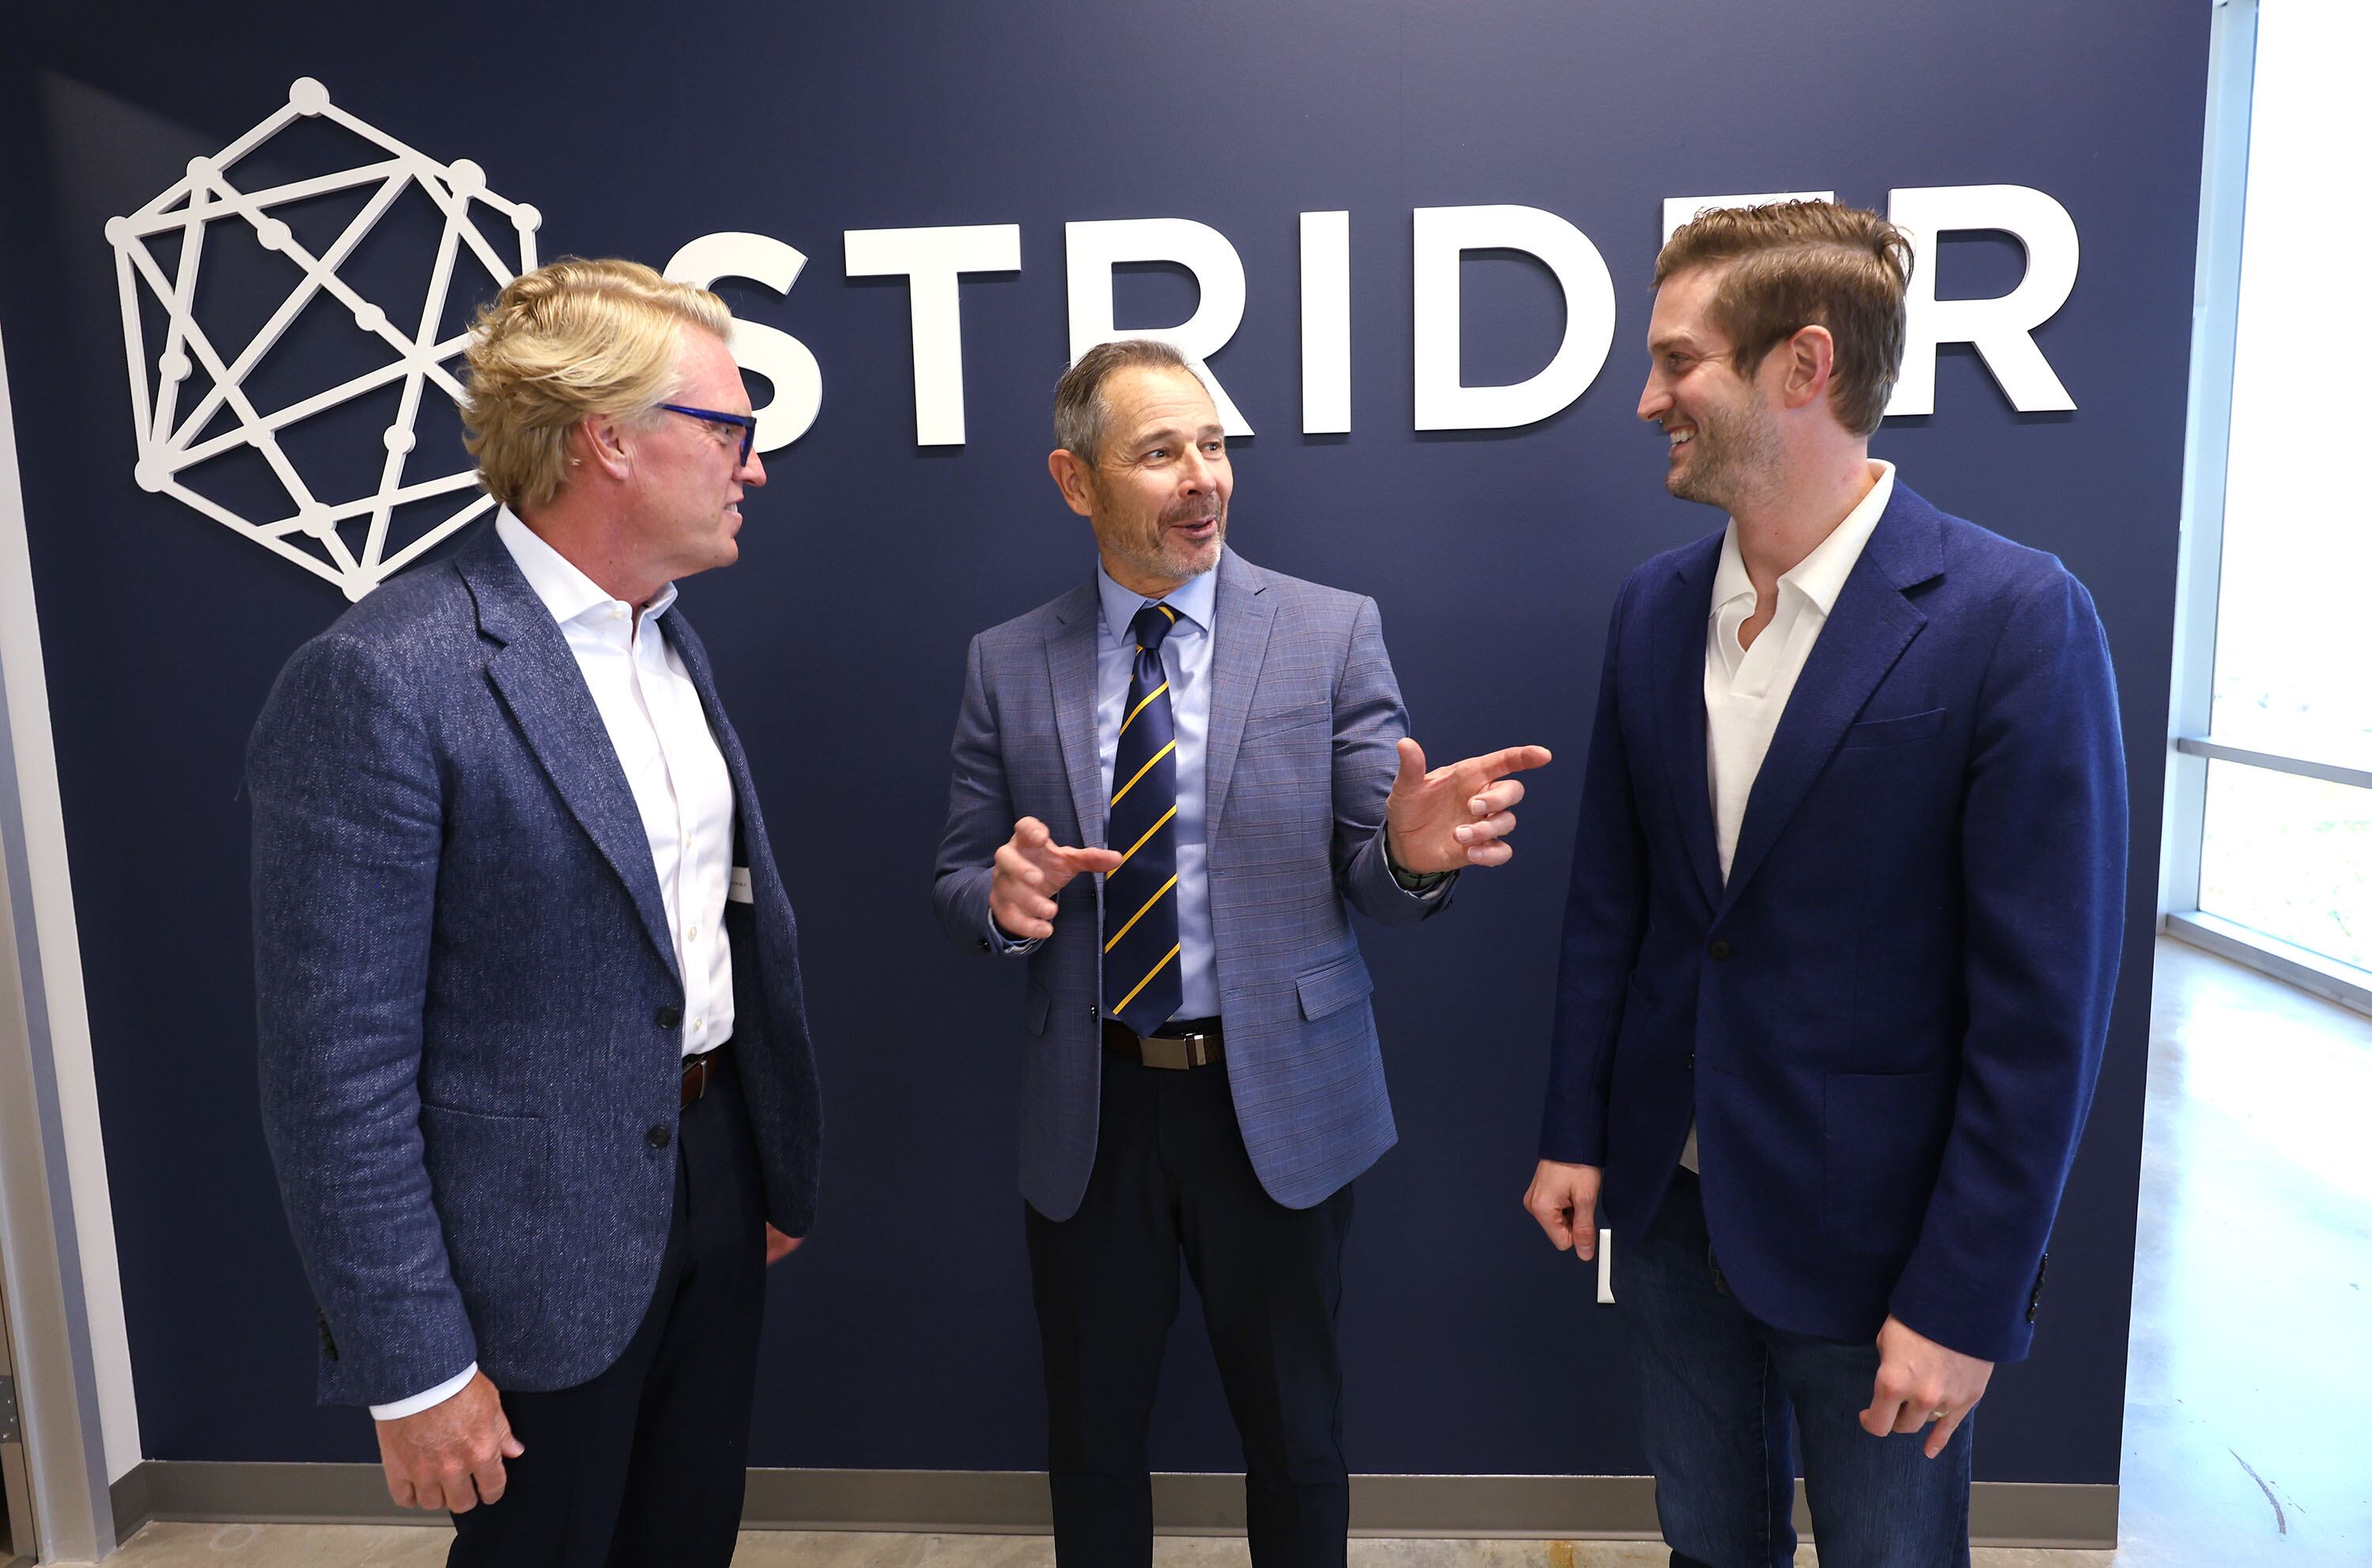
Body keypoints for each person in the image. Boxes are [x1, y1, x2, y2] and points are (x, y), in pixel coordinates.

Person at [1521, 202, 2126, 1567]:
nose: (1647, 398)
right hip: (1672, 1212)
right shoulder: (1651, 608)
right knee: (1707, 1544)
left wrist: (1968, 1298)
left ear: (1804, 366)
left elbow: (2045, 1013)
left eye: (1681, 362)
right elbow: (1612, 903)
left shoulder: (2015, 619)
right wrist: (1578, 1129)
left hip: (1883, 1249)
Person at [934, 338, 1550, 1566]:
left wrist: (1416, 852)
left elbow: (1375, 874)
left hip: (1278, 1099)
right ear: (1077, 481)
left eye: (1213, 445)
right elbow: (960, 873)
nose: (1203, 478)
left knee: (1299, 1437)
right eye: (1160, 452)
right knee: (1094, 1442)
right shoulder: (1008, 661)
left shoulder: (1329, 632)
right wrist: (1002, 904)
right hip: (1093, 1109)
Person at [249, 257, 820, 1567]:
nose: (756, 464)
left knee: (685, 1540)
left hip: (710, 1181)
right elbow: (332, 1073)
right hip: (527, 1247)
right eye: (731, 427)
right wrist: (413, 1369)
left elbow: (702, 940)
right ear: (607, 440)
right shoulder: (386, 680)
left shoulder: (669, 641)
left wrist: (759, 1166)